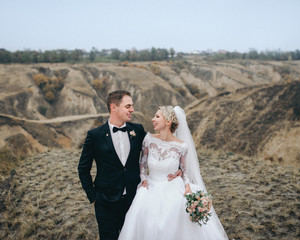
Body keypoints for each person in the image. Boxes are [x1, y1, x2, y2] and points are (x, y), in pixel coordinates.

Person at [78, 90, 180, 240]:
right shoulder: (95, 135)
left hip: (134, 201)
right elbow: (83, 168)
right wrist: (93, 196)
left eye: (131, 106)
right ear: (114, 107)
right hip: (105, 203)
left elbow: (160, 146)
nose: (132, 109)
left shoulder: (137, 130)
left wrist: (177, 168)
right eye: (128, 106)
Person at [118, 106, 228, 240]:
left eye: (157, 116)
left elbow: (184, 170)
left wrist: (187, 185)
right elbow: (143, 163)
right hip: (150, 187)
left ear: (168, 121)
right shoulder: (148, 139)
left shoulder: (181, 146)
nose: (153, 119)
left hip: (172, 187)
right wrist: (143, 179)